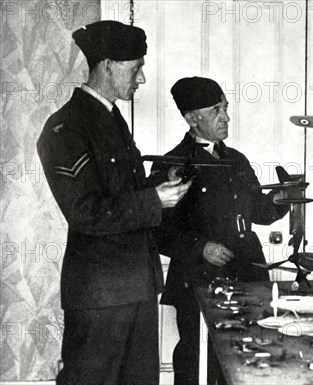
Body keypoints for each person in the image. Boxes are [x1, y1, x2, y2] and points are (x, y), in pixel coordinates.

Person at [37, 21, 191, 385]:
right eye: (135, 67)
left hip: (135, 285)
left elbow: (120, 192)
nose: (141, 78)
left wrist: (158, 184)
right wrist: (153, 199)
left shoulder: (109, 119)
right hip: (99, 297)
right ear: (107, 65)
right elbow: (84, 212)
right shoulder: (66, 127)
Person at [152, 76, 289, 385]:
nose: (226, 117)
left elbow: (259, 212)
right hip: (199, 280)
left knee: (247, 358)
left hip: (248, 275)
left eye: (225, 108)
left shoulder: (236, 160)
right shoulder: (171, 164)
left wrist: (281, 199)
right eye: (216, 110)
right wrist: (201, 248)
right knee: (197, 360)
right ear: (192, 118)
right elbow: (158, 232)